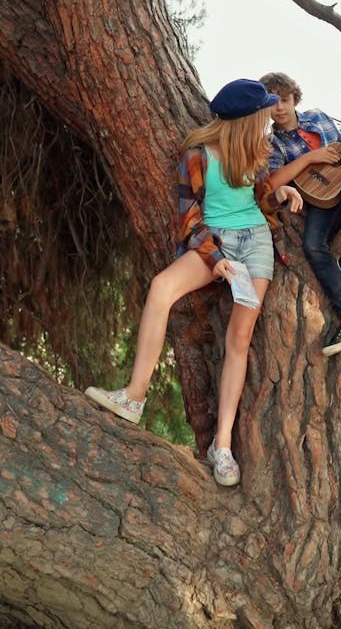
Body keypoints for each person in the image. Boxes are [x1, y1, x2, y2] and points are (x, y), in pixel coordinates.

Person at [85, 79, 302, 487]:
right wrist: (216, 259)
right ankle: (134, 395)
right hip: (213, 242)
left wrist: (282, 192)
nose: (268, 118)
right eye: (263, 113)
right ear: (245, 119)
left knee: (239, 339)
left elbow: (257, 199)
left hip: (255, 245)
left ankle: (222, 446)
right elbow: (190, 220)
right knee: (161, 288)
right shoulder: (197, 155)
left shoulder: (255, 152)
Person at [259, 72, 341, 357]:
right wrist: (309, 158)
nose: (279, 108)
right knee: (313, 245)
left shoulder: (317, 118)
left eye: (284, 100)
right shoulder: (272, 144)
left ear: (294, 99)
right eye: (271, 103)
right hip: (320, 200)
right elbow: (272, 182)